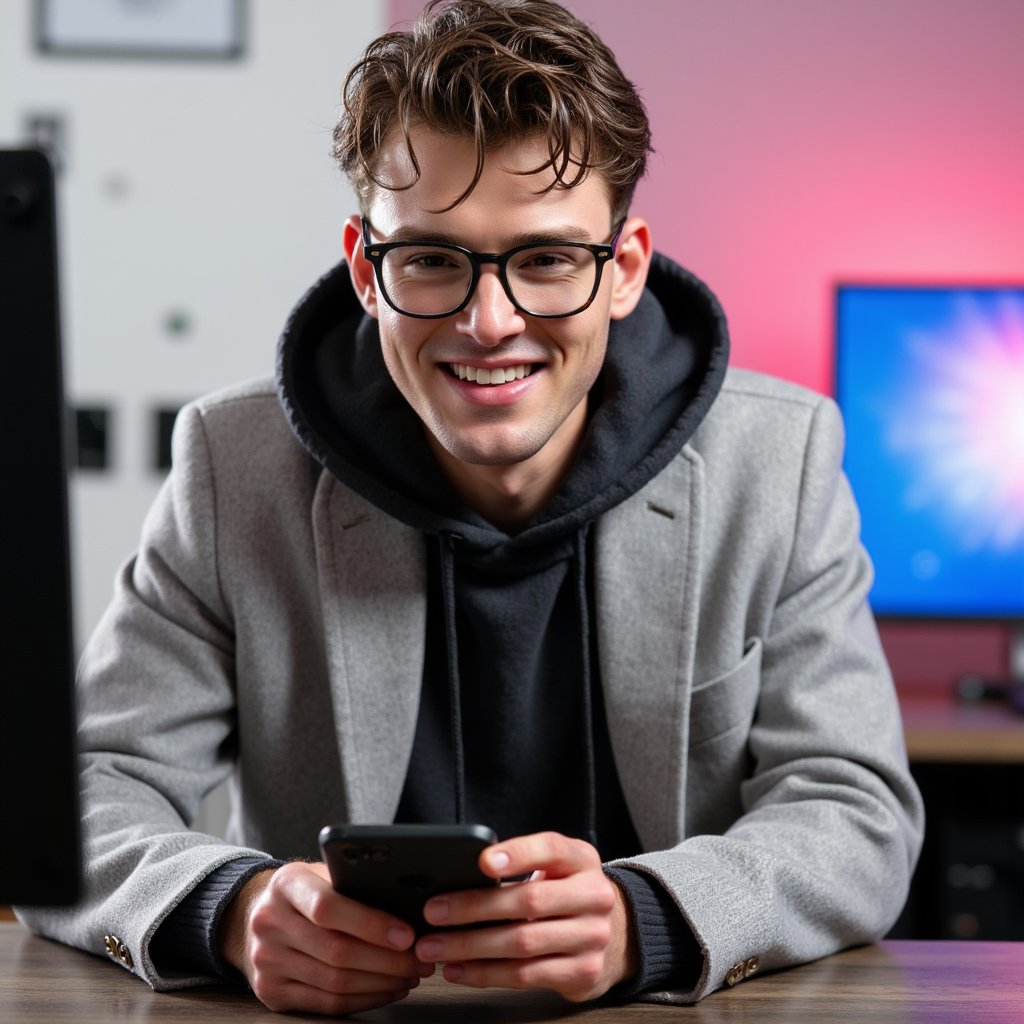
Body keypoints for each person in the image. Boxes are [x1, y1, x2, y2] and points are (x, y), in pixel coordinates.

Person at [16, 0, 924, 1015]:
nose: (488, 324)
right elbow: (82, 794)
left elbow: (855, 812)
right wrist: (233, 909)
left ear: (621, 271)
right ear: (367, 268)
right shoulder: (235, 466)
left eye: (544, 260)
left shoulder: (778, 459)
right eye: (432, 259)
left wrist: (648, 917)